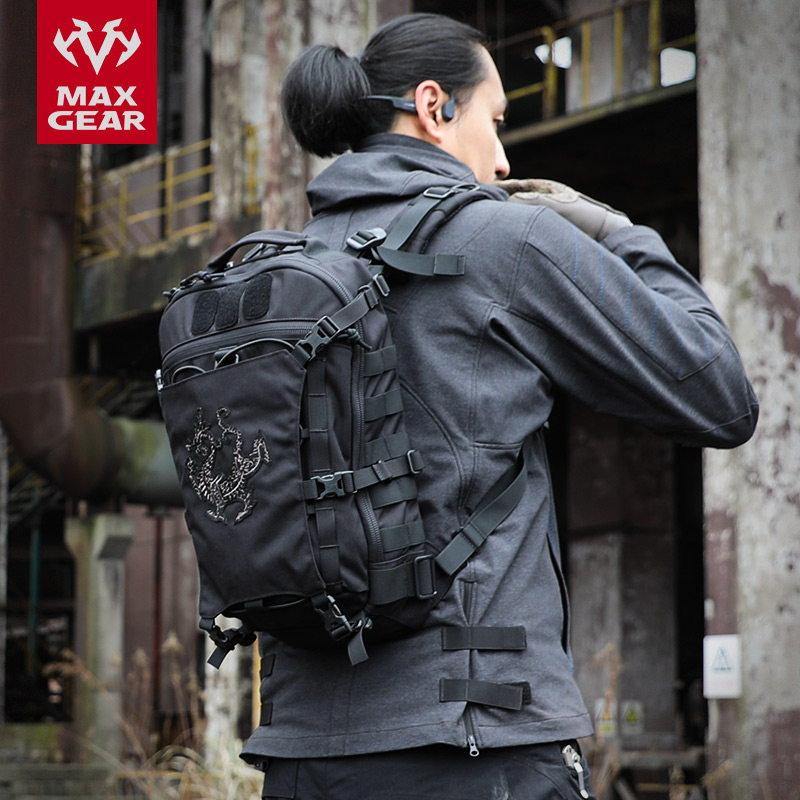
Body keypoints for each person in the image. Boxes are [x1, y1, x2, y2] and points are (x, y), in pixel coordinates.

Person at [242, 12, 758, 799]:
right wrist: (616, 232)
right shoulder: (504, 242)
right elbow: (718, 395)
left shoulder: (281, 272)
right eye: (497, 119)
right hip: (474, 746)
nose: (505, 157)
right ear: (434, 106)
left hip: (302, 753)